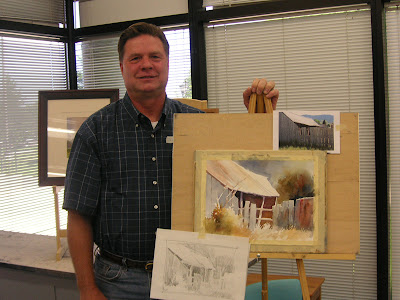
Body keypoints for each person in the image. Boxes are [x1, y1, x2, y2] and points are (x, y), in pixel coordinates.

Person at [63, 22, 279, 300]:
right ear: (122, 67)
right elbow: (78, 216)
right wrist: (87, 289)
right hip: (120, 282)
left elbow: (248, 164)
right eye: (135, 58)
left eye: (155, 56)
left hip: (193, 275)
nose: (146, 65)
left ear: (167, 62)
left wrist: (260, 115)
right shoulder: (95, 132)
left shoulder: (200, 126)